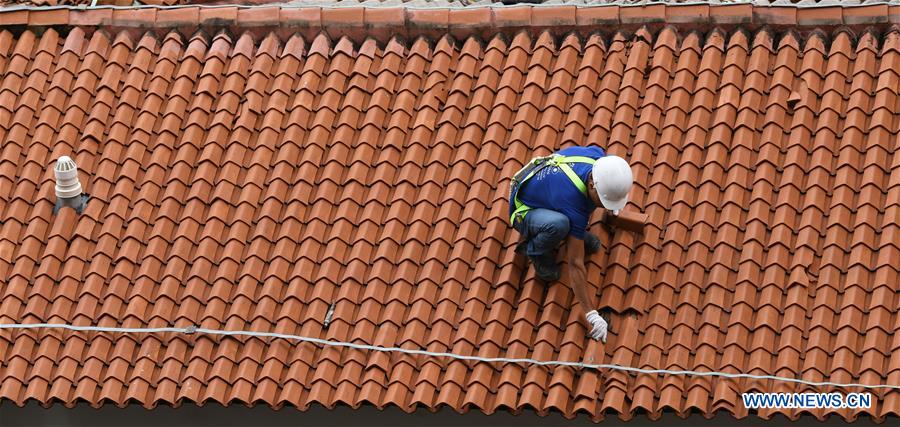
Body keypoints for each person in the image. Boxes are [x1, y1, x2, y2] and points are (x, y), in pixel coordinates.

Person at [508, 145, 634, 342]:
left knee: (574, 226)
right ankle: (535, 251)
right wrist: (591, 314)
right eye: (603, 199)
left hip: (546, 189)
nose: (603, 205)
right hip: (523, 209)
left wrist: (612, 200)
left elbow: (600, 156)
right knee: (559, 225)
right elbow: (575, 264)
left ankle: (576, 233)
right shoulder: (572, 201)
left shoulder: (598, 160)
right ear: (591, 184)